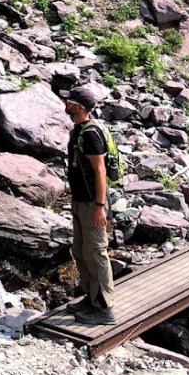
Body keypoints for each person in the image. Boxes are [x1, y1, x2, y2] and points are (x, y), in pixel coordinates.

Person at [64, 86, 116, 325]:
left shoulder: (91, 134)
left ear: (81, 108)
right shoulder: (79, 130)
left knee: (96, 253)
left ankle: (105, 309)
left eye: (71, 101)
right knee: (80, 250)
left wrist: (99, 206)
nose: (66, 103)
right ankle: (91, 297)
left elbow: (100, 170)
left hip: (92, 203)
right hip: (79, 201)